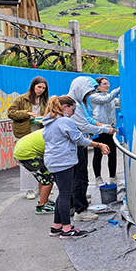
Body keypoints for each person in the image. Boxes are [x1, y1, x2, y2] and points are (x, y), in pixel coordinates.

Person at [42, 95, 110, 239]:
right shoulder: (64, 121)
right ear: (65, 107)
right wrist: (98, 144)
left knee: (62, 193)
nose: (73, 113)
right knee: (66, 195)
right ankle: (67, 229)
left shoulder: (49, 122)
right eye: (73, 109)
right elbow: (78, 139)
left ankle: (57, 226)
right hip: (63, 161)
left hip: (53, 161)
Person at [67, 76, 115, 221]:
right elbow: (84, 126)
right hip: (76, 144)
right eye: (87, 92)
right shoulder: (73, 103)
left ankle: (74, 203)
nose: (89, 95)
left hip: (78, 143)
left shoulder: (78, 102)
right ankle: (80, 210)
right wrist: (106, 130)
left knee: (76, 177)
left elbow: (88, 119)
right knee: (80, 177)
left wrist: (103, 126)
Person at [8, 76, 49, 201]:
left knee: (42, 162)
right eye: (39, 87)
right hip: (24, 133)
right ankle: (29, 189)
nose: (41, 90)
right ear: (33, 86)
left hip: (39, 133)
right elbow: (11, 112)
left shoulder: (44, 101)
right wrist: (27, 114)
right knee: (26, 164)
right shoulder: (22, 99)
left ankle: (42, 187)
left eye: (43, 88)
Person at [13, 129, 55, 215]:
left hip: (21, 151)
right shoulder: (55, 135)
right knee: (48, 177)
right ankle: (42, 206)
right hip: (26, 154)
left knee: (42, 176)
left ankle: (44, 199)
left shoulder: (49, 129)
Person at [89, 77, 120, 186]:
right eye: (104, 84)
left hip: (110, 129)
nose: (107, 85)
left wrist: (121, 94)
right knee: (98, 154)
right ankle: (98, 178)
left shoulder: (110, 97)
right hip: (99, 129)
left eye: (108, 83)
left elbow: (118, 102)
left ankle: (113, 177)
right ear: (98, 86)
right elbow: (106, 100)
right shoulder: (94, 96)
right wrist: (119, 89)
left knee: (112, 154)